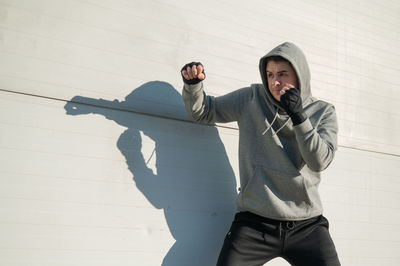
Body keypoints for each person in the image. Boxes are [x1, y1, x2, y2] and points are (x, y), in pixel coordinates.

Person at [180, 42, 341, 266]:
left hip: (307, 226)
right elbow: (205, 111)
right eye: (270, 74)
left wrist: (299, 117)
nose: (275, 82)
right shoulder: (251, 98)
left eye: (283, 74)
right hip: (254, 224)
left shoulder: (322, 112)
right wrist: (193, 86)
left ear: (300, 75)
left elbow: (319, 161)